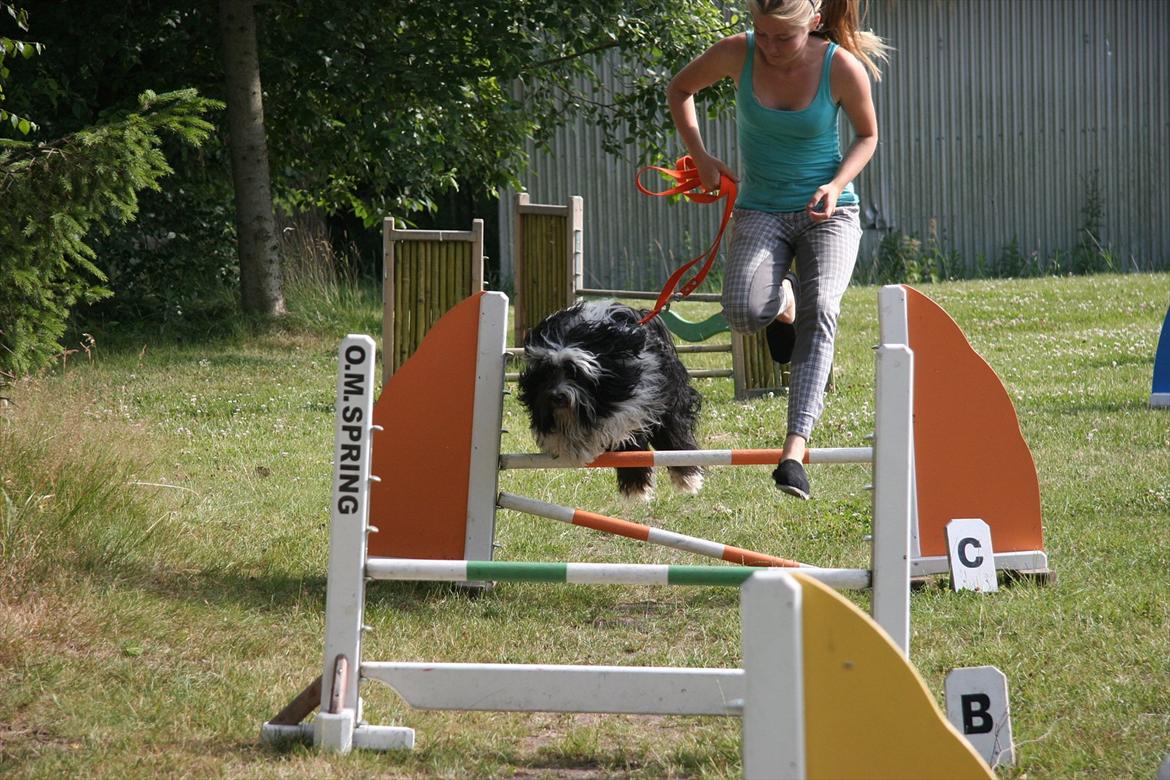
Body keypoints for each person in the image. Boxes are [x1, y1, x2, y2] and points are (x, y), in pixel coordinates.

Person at [667, 0, 888, 499]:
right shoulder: (737, 54)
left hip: (827, 213)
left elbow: (867, 135)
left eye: (781, 38)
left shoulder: (839, 66)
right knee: (743, 313)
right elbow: (679, 89)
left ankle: (793, 454)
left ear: (811, 23)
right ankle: (783, 302)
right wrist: (701, 157)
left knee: (823, 309)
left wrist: (836, 185)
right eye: (761, 34)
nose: (769, 47)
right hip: (760, 209)